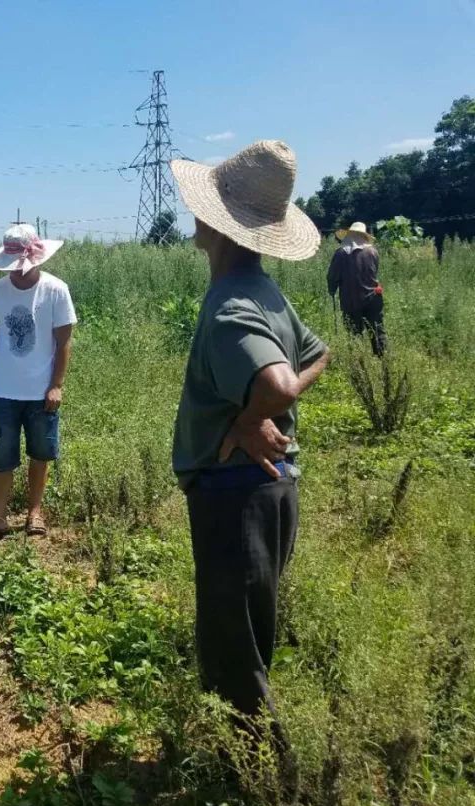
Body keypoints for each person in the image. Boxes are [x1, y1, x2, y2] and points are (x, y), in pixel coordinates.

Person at [169, 141, 330, 754]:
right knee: (249, 632)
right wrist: (253, 411)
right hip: (269, 490)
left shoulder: (232, 304)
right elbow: (318, 354)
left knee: (235, 653)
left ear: (218, 222)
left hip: (235, 498)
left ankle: (267, 774)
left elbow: (282, 381)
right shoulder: (265, 290)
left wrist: (249, 417)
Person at [0, 224, 76, 541]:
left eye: (24, 267)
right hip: (6, 392)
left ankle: (34, 512)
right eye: (13, 269)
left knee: (40, 453)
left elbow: (64, 342)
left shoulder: (55, 290)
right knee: (1, 456)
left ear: (38, 259)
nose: (18, 274)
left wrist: (56, 384)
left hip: (42, 392)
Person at [328, 221, 386, 355]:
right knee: (377, 333)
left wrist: (332, 289)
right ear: (363, 236)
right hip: (374, 298)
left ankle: (358, 366)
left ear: (349, 235)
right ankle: (384, 364)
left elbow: (332, 277)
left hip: (351, 300)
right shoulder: (372, 251)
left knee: (354, 335)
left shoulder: (341, 254)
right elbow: (374, 272)